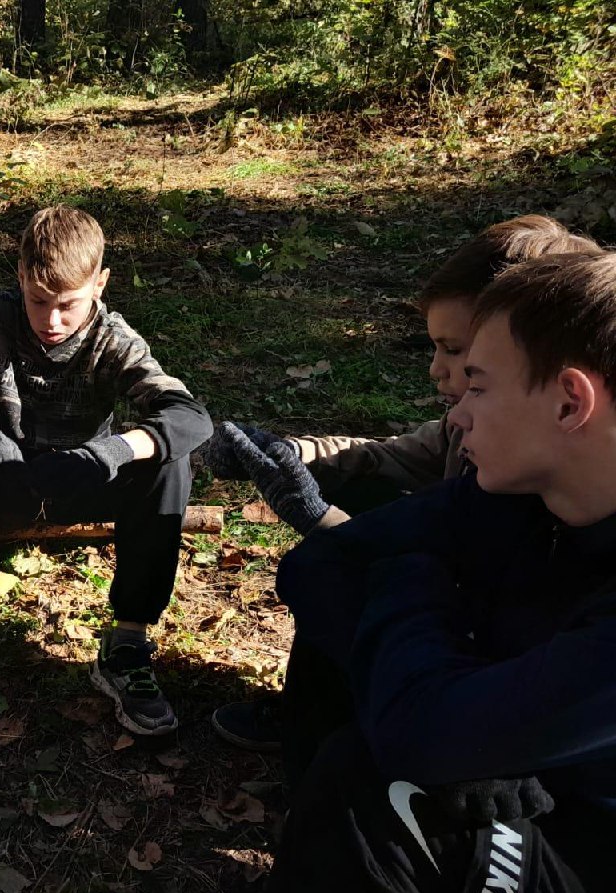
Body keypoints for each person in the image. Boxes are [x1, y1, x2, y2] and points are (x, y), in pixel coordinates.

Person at [175, 250, 616, 893]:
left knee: (381, 793)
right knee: (367, 691)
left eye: (478, 386)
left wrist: (427, 629)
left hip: (591, 865)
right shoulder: (523, 498)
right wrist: (459, 716)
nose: (458, 413)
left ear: (570, 401)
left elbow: (425, 728)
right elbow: (317, 567)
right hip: (522, 756)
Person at [205, 215, 603, 753]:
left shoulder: (538, 506)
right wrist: (291, 455)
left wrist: (377, 550)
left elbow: (457, 718)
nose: (438, 372)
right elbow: (390, 461)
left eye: (460, 355)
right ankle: (322, 712)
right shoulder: (483, 450)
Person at [0, 205, 213, 737]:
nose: (51, 320)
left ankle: (128, 641)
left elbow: (187, 416)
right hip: (6, 474)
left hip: (82, 480)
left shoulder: (115, 340)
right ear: (20, 276)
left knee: (168, 462)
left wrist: (110, 454)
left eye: (69, 304)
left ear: (100, 283)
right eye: (39, 301)